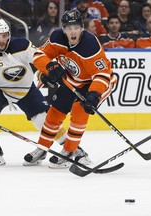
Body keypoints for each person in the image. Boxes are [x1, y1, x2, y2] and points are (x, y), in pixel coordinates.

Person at [0, 18, 90, 166]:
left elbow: (39, 59)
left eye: (4, 35)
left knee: (44, 121)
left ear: (9, 34)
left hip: (25, 89)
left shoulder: (22, 45)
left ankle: (74, 149)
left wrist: (45, 73)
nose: (1, 40)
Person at [32, 9, 116, 168]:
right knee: (54, 111)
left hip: (97, 82)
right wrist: (50, 66)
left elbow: (102, 74)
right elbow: (38, 55)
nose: (73, 31)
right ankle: (42, 147)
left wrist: (94, 95)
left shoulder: (90, 44)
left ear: (82, 28)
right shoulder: (57, 37)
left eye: (76, 27)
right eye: (69, 28)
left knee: (79, 110)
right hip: (73, 80)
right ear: (64, 29)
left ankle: (70, 150)